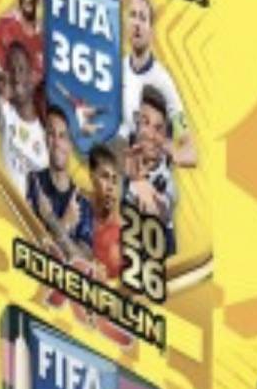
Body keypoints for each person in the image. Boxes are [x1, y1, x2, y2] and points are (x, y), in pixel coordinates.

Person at [120, 0, 197, 166]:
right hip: (127, 172)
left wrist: (168, 152)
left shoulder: (163, 81)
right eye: (133, 15)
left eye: (143, 18)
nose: (137, 23)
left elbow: (190, 152)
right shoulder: (118, 69)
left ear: (151, 31)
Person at [27, 107, 92, 255]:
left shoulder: (82, 204)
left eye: (62, 135)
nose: (56, 142)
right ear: (45, 139)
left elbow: (83, 261)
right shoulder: (34, 183)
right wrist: (65, 223)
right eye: (51, 134)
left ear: (71, 144)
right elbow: (31, 247)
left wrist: (51, 221)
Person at [0, 40, 47, 196]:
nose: (16, 77)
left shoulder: (47, 131)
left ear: (31, 75)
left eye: (21, 69)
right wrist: (1, 85)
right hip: (7, 207)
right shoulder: (5, 114)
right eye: (11, 70)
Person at [125, 85, 178, 255]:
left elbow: (158, 209)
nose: (149, 133)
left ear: (166, 138)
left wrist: (138, 182)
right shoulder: (123, 160)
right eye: (145, 123)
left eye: (158, 128)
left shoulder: (168, 183)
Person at [88, 144, 123, 281]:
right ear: (92, 177)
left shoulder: (122, 228)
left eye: (114, 180)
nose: (110, 186)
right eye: (105, 177)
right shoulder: (78, 210)